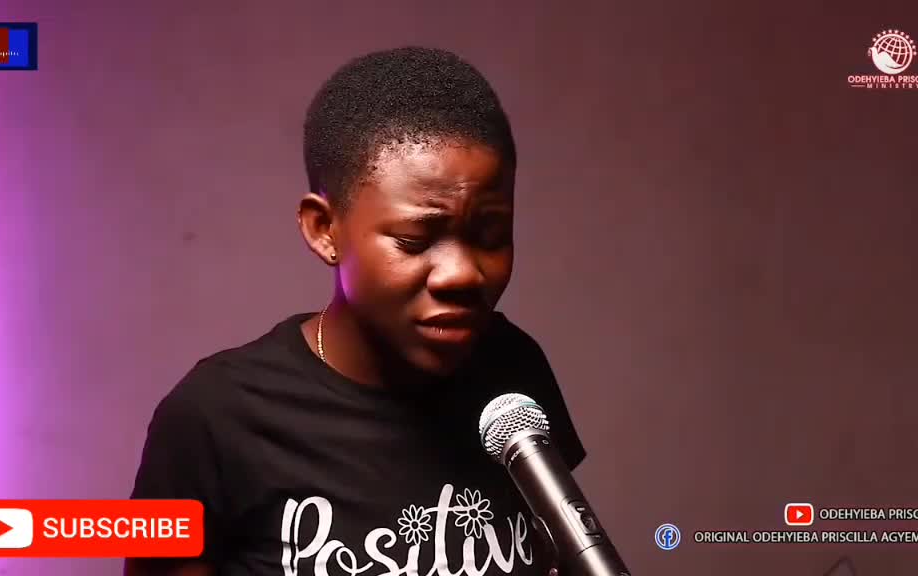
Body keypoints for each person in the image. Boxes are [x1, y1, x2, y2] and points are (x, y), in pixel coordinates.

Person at [125, 46, 586, 576]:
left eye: (490, 235)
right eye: (414, 239)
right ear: (324, 229)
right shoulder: (211, 416)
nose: (461, 274)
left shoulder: (513, 374)